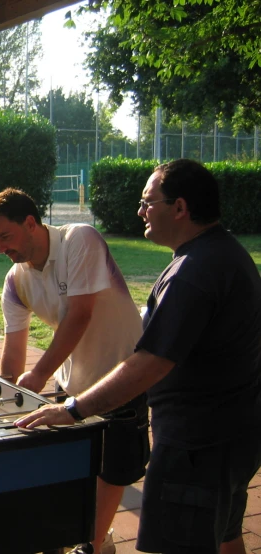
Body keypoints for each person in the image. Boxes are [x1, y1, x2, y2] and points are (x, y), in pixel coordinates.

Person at [16, 159, 261, 554]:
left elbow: (150, 362)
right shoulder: (224, 253)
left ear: (179, 208)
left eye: (148, 202)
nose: (140, 211)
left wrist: (74, 409)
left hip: (197, 445)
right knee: (226, 534)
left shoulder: (194, 271)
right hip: (233, 435)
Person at [0, 188, 149, 554]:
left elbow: (80, 314)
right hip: (71, 381)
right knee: (68, 467)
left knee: (111, 470)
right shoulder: (16, 280)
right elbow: (13, 354)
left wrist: (37, 375)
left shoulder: (79, 240)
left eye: (5, 237)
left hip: (123, 375)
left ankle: (95, 544)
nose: (0, 249)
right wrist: (5, 399)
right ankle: (75, 536)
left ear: (30, 223)